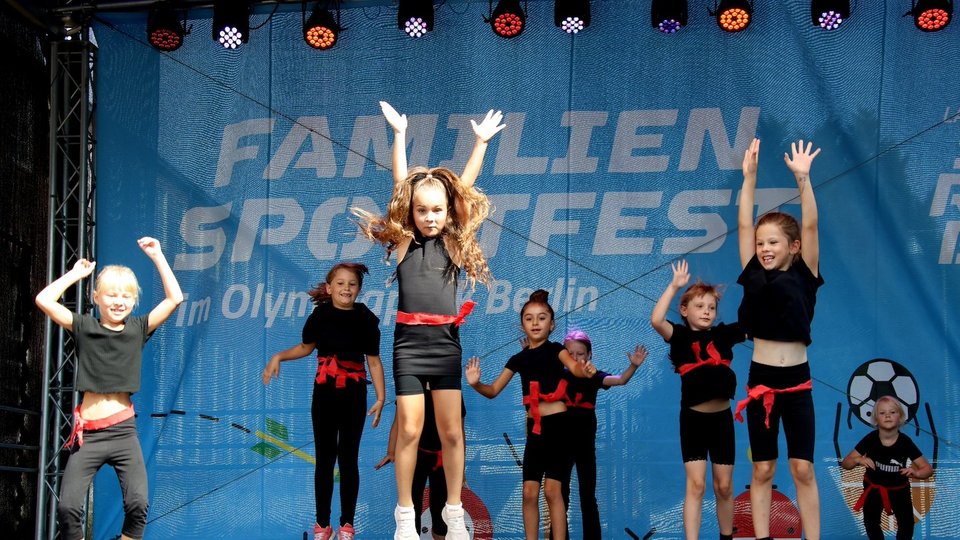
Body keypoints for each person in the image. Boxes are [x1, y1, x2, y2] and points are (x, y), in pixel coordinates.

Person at [352, 101, 505, 540]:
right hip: (408, 346)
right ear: (413, 213)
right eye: (423, 211)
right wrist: (398, 136)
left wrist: (480, 144)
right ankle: (404, 518)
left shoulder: (455, 245)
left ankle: (453, 513)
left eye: (437, 210)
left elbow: (464, 192)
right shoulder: (403, 244)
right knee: (412, 430)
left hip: (445, 344)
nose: (431, 216)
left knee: (452, 432)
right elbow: (402, 187)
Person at [35, 237, 183, 540]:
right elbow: (44, 300)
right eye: (112, 295)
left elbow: (174, 299)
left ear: (134, 301)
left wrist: (157, 257)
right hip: (88, 434)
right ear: (96, 297)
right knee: (67, 509)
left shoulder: (137, 329)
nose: (119, 301)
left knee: (138, 504)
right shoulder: (84, 326)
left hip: (123, 431)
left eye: (126, 296)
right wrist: (75, 274)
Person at [733, 138, 825, 540]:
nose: (765, 248)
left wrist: (803, 180)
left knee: (802, 468)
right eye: (761, 243)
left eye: (773, 242)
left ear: (794, 247)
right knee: (763, 468)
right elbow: (742, 224)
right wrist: (749, 179)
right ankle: (762, 537)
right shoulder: (753, 272)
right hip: (761, 379)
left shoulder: (805, 273)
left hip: (798, 382)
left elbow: (810, 223)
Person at [262, 262, 386, 540]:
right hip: (325, 395)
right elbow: (306, 348)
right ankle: (322, 525)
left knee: (348, 459)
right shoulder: (320, 317)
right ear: (329, 289)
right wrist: (278, 356)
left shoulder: (367, 320)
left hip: (354, 396)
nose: (346, 288)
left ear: (359, 289)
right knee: (325, 459)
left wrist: (381, 396)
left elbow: (374, 362)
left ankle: (347, 525)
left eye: (352, 284)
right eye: (340, 284)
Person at [466, 290, 598, 540]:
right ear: (522, 324)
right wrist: (475, 384)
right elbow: (493, 390)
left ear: (552, 324)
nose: (535, 323)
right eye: (529, 318)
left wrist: (586, 370)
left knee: (552, 491)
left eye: (541, 318)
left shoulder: (557, 350)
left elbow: (575, 369)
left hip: (560, 429)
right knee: (528, 492)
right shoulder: (518, 358)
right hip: (535, 431)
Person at [650, 260, 745, 540]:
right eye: (700, 306)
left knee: (724, 486)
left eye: (711, 308)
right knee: (696, 485)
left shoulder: (723, 334)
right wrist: (675, 286)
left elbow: (754, 324)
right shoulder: (679, 337)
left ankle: (726, 536)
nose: (707, 312)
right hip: (693, 420)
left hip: (722, 420)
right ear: (684, 310)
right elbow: (656, 320)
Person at [560, 330, 647, 539]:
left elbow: (620, 380)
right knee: (560, 494)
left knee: (587, 495)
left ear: (589, 355)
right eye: (569, 354)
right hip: (561, 442)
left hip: (584, 444)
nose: (575, 358)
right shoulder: (559, 376)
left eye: (580, 353)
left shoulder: (594, 376)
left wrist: (633, 366)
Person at [376, 386, 466, 540]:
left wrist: (461, 471)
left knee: (440, 510)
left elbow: (459, 433)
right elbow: (398, 422)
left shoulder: (451, 390)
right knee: (412, 508)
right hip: (416, 457)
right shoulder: (410, 387)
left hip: (442, 460)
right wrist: (391, 451)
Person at [841, 396, 932, 540]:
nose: (888, 415)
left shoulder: (905, 442)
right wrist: (858, 459)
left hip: (899, 490)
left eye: (892, 412)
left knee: (907, 525)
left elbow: (927, 469)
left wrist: (916, 472)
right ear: (876, 419)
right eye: (882, 413)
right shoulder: (870, 439)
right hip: (874, 489)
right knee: (871, 523)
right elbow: (846, 463)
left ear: (901, 417)